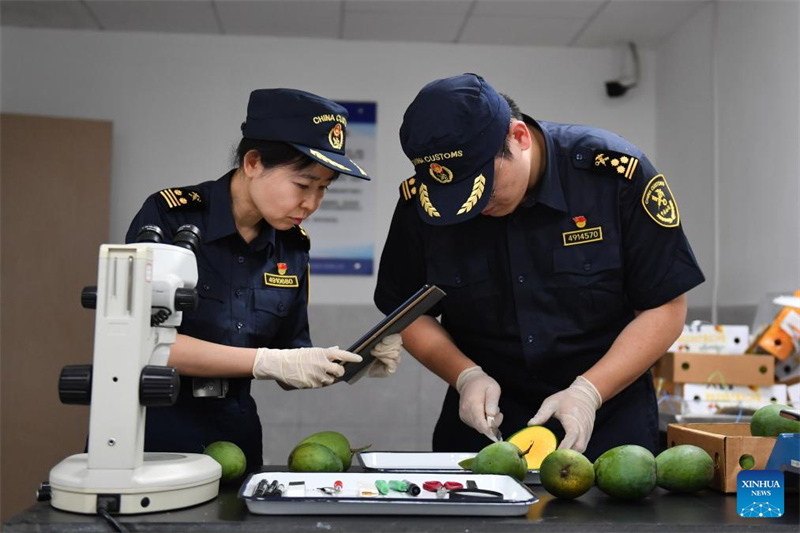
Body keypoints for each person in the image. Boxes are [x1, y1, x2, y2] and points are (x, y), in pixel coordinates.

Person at [374, 73, 704, 460]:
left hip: (608, 420)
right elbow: (408, 311)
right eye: (455, 197)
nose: (472, 208)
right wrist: (465, 376)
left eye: (483, 188)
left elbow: (665, 306)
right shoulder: (424, 202)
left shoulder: (614, 176)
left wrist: (589, 392)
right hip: (484, 425)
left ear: (518, 137)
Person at [126, 88, 403, 471]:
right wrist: (268, 361)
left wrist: (351, 361)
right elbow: (141, 341)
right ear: (253, 162)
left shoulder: (292, 246)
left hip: (235, 436)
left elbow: (288, 363)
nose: (311, 203)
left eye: (323, 189)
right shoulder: (169, 217)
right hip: (153, 430)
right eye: (303, 185)